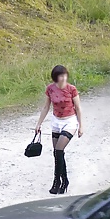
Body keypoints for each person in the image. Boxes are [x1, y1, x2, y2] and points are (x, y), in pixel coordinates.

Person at [34, 65, 84, 195]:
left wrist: (81, 125)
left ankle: (57, 181)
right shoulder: (50, 89)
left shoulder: (71, 89)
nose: (64, 78)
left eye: (65, 75)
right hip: (56, 122)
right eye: (61, 76)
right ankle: (64, 180)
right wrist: (39, 124)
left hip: (70, 121)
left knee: (59, 149)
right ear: (56, 77)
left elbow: (78, 108)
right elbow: (46, 107)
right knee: (57, 153)